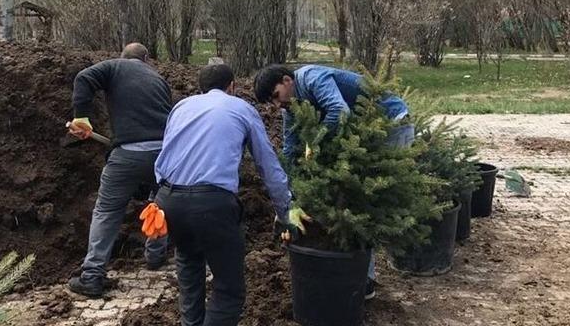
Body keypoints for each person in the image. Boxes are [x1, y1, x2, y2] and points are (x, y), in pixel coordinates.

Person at [154, 64, 303, 326]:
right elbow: (268, 166)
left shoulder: (181, 107)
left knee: (189, 264)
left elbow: (165, 154)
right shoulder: (242, 109)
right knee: (228, 288)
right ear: (232, 86)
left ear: (201, 87)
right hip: (212, 204)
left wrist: (159, 199)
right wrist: (285, 210)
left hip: (168, 199)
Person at [253, 63, 414, 299]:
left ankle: (366, 280)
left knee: (365, 200)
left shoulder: (312, 78)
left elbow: (339, 111)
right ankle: (360, 276)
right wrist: (289, 199)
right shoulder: (291, 109)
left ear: (287, 80)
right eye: (272, 102)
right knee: (350, 201)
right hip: (361, 135)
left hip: (391, 123)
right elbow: (289, 150)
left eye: (276, 96)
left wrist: (314, 144)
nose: (278, 105)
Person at [66, 43, 172, 297]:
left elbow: (84, 77)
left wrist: (81, 116)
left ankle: (92, 276)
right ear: (146, 59)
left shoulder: (114, 66)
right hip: (164, 155)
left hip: (128, 154)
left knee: (107, 210)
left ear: (123, 57)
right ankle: (156, 256)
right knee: (158, 206)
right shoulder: (159, 79)